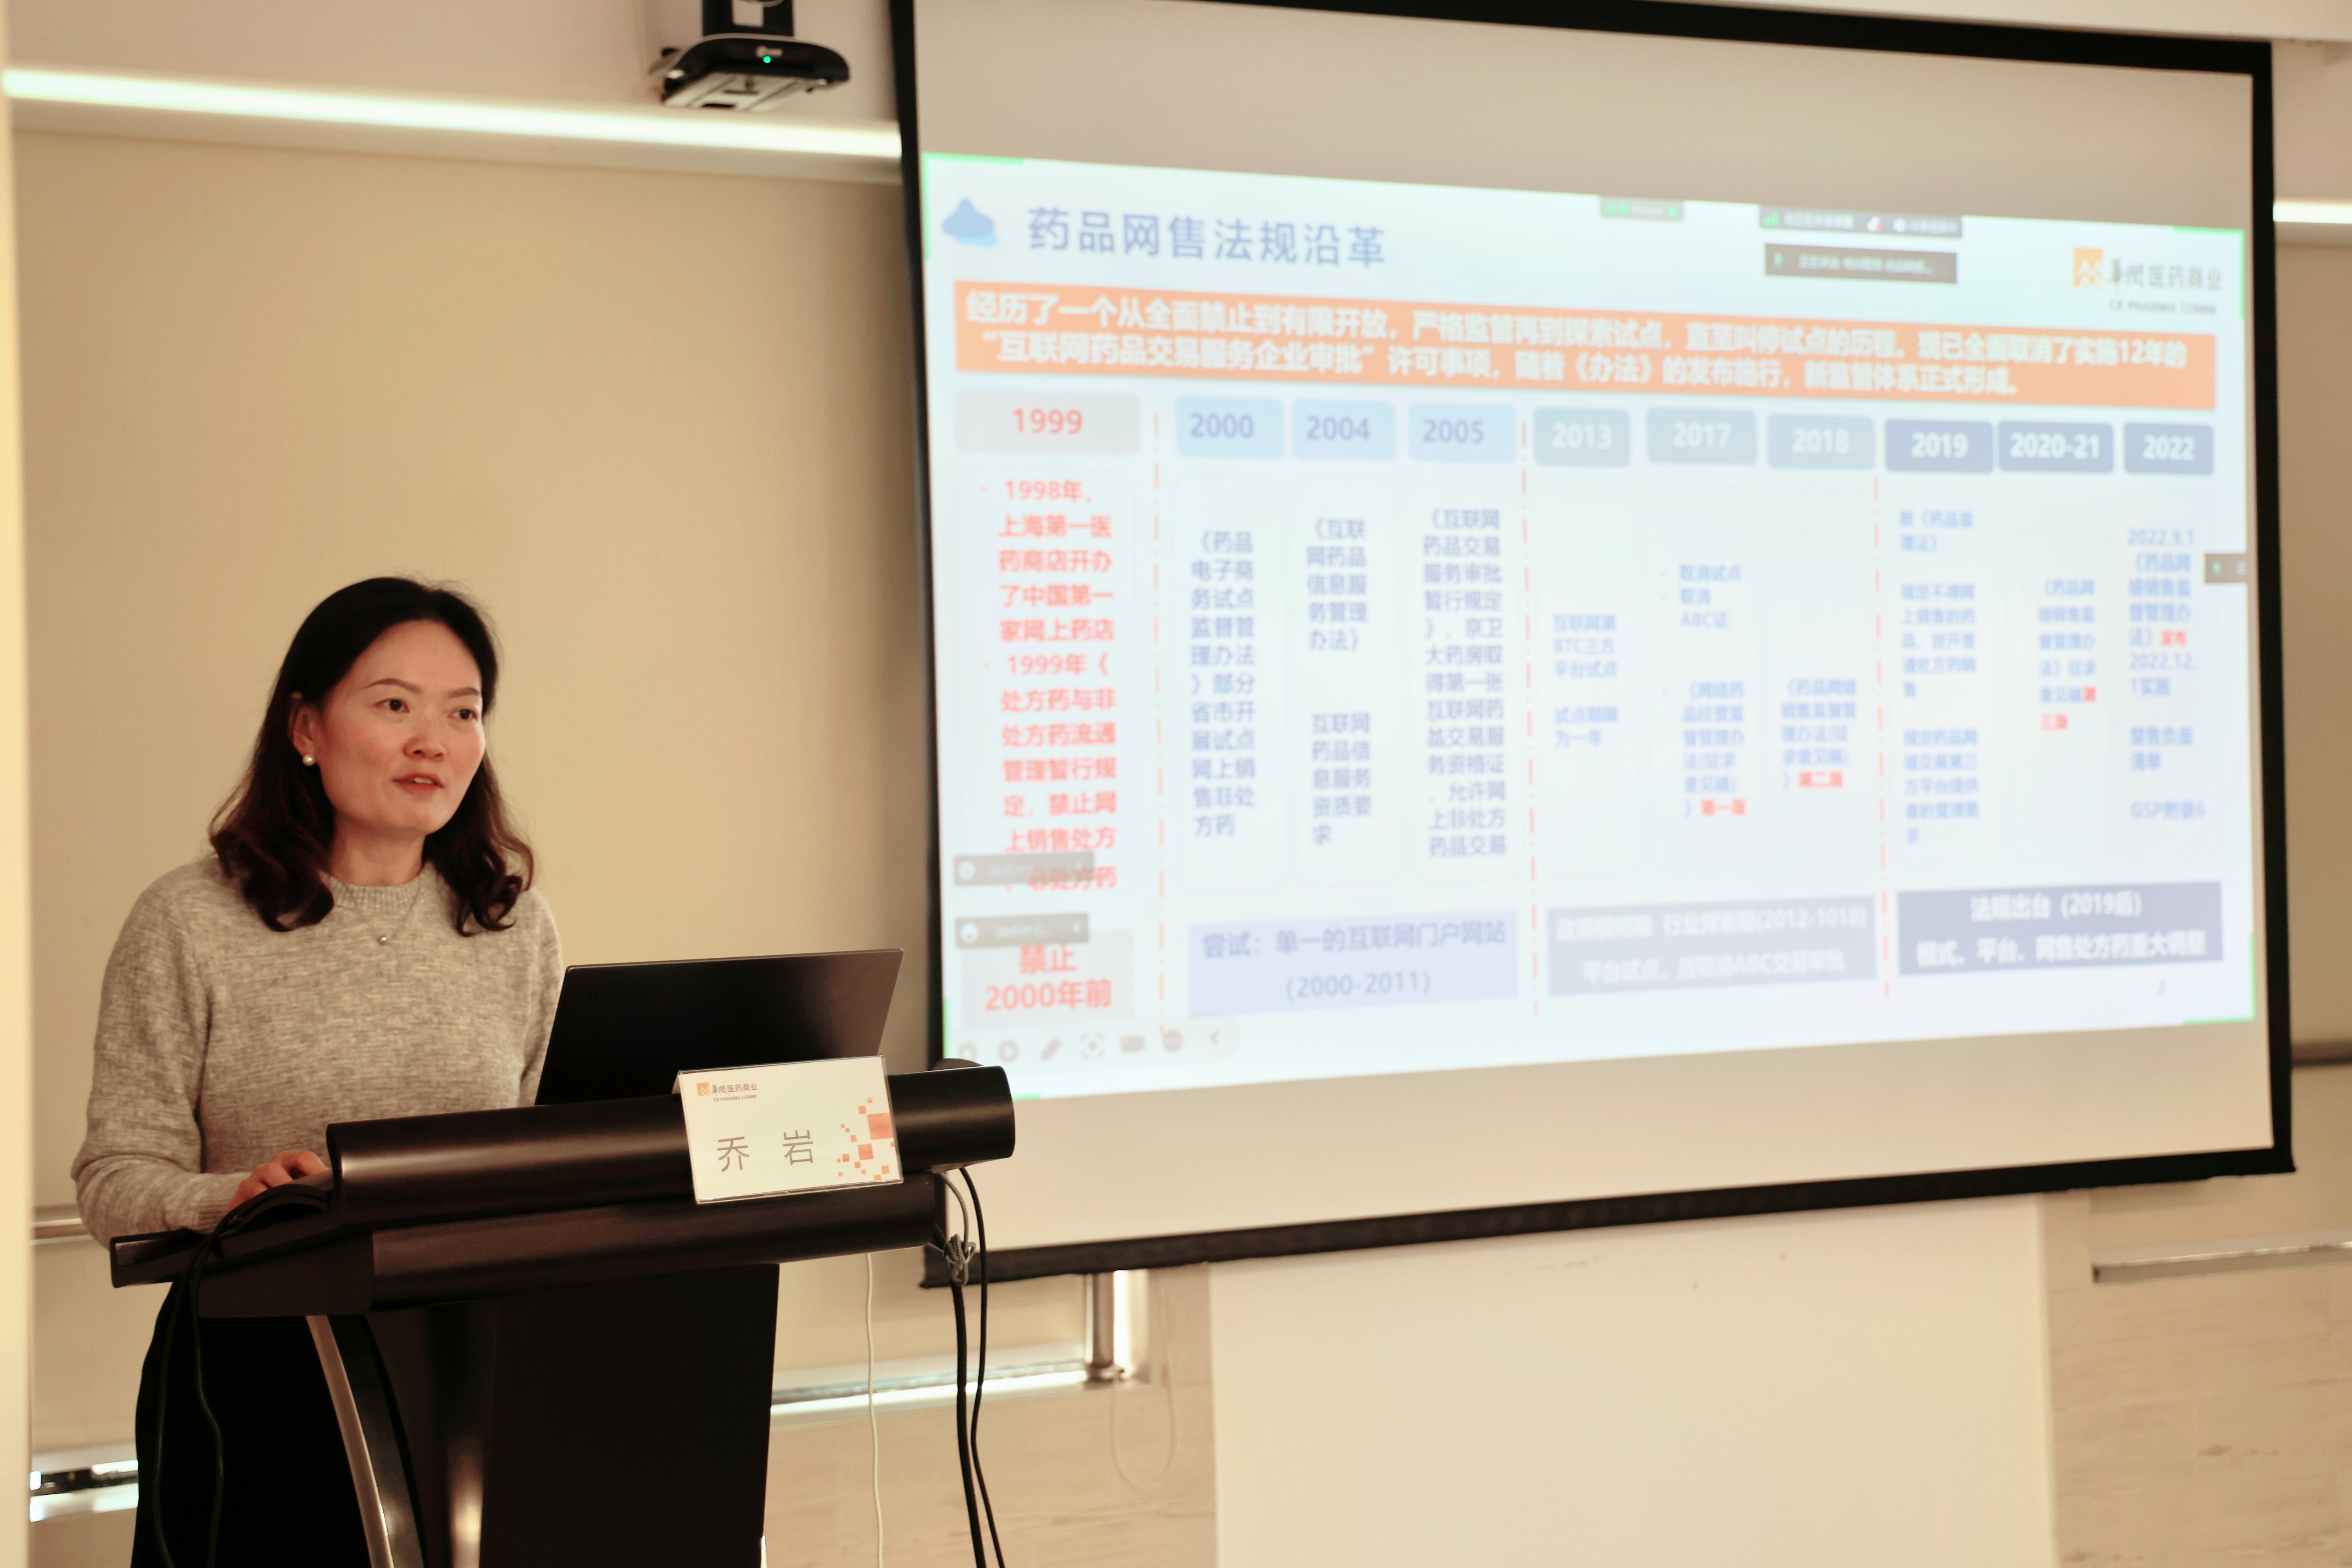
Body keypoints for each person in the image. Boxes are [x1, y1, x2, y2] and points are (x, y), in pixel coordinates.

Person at [73, 577, 563, 1566]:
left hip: (468, 1375)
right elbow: (113, 1177)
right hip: (256, 1381)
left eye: (463, 713)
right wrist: (232, 1197)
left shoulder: (512, 926)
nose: (433, 741)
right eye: (395, 704)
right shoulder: (188, 920)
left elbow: (539, 1154)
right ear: (305, 727)